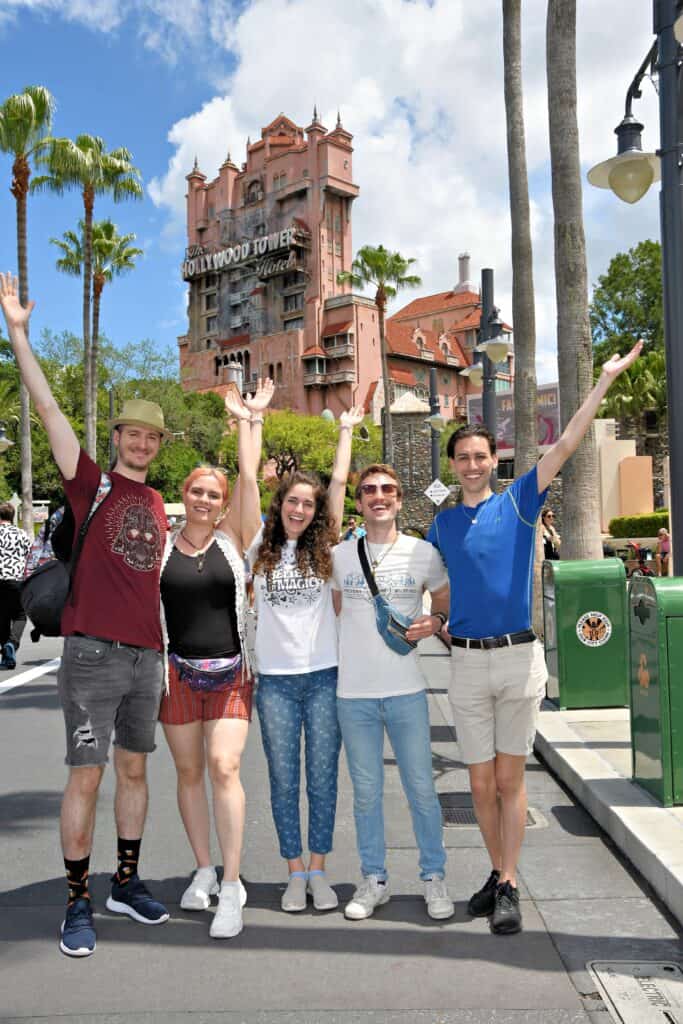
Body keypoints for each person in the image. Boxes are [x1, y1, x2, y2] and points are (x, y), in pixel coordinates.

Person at [428, 340, 642, 936]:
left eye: (479, 456)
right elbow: (435, 586)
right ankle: (498, 873)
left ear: (491, 461)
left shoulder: (520, 501)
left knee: (508, 779)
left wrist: (602, 379)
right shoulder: (442, 523)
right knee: (477, 783)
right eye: (463, 458)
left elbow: (569, 441)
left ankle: (509, 883)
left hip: (518, 659)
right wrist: (432, 618)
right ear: (454, 465)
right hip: (466, 665)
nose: (472, 465)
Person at [1, 271, 171, 959]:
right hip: (94, 652)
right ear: (120, 437)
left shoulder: (159, 504)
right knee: (88, 776)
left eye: (151, 439)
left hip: (145, 656)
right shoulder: (90, 483)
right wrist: (17, 332)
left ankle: (124, 883)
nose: (140, 444)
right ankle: (77, 901)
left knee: (135, 773)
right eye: (132, 434)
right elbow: (46, 411)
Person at [158, 380, 273, 939]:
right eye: (196, 492)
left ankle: (231, 884)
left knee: (224, 768)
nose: (204, 500)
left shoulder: (233, 539)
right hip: (175, 673)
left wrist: (250, 420)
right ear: (185, 496)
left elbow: (251, 479)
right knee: (187, 773)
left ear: (222, 504)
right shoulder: (160, 546)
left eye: (213, 494)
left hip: (230, 674)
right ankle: (202, 867)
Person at [249, 406, 364, 913]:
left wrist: (345, 431)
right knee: (282, 778)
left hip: (323, 677)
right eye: (292, 502)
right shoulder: (259, 544)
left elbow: (339, 480)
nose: (300, 510)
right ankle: (293, 871)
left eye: (308, 505)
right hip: (273, 681)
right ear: (280, 505)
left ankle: (318, 870)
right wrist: (250, 424)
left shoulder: (327, 548)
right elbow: (244, 482)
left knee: (321, 777)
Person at [332, 463, 454, 922]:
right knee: (366, 793)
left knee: (421, 789)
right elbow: (335, 613)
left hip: (406, 691)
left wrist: (437, 622)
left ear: (399, 500)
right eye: (369, 491)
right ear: (359, 502)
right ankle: (374, 879)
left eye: (387, 490)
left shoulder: (423, 553)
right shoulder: (340, 557)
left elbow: (441, 599)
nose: (378, 497)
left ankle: (433, 877)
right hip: (354, 694)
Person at [0, 501, 31, 669]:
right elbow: (30, 556)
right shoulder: (22, 534)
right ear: (12, 517)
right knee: (19, 615)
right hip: (17, 579)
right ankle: (12, 643)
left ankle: (6, 658)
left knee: (2, 617)